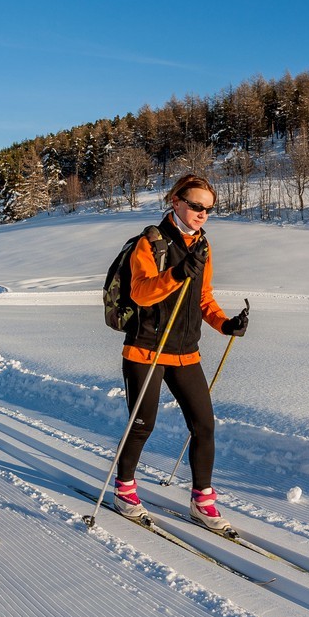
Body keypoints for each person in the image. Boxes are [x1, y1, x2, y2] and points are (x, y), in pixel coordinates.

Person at [114, 172, 249, 531]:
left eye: (208, 208)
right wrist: (176, 273)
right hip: (147, 350)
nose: (202, 213)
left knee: (204, 426)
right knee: (143, 425)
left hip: (186, 352)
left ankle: (202, 500)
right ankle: (124, 489)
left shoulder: (203, 245)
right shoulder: (151, 243)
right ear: (176, 202)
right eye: (196, 206)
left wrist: (225, 324)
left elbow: (203, 298)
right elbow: (141, 293)